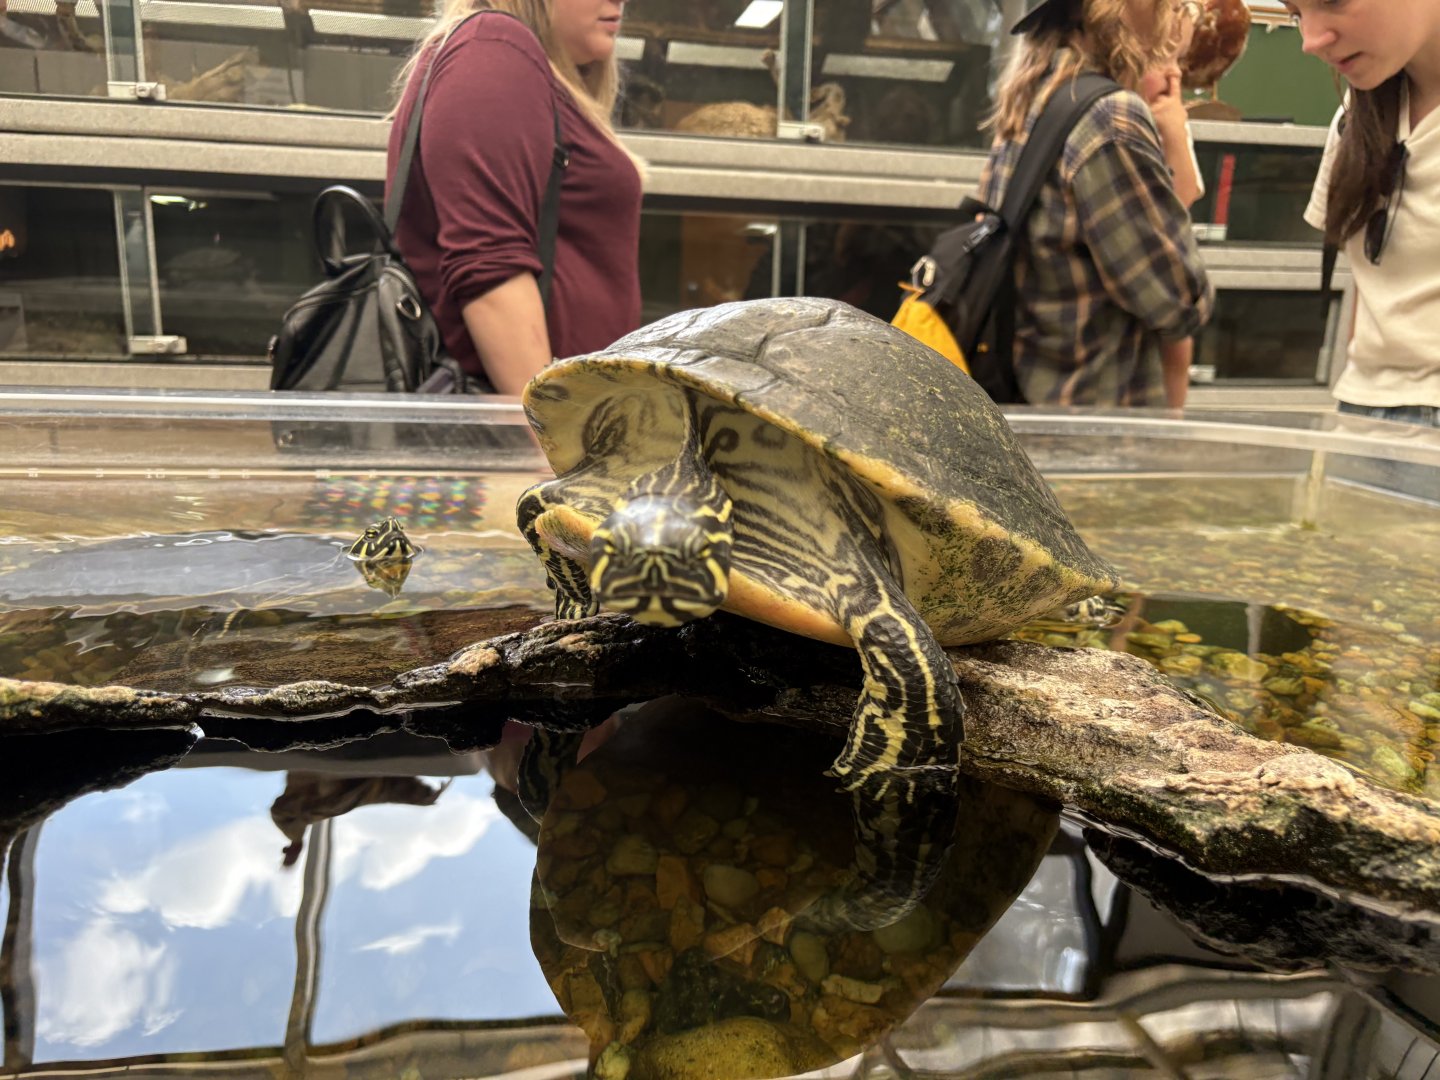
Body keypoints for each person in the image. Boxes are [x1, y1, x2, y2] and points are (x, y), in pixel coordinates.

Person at [387, 0, 643, 396]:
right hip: (528, 435)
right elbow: (491, 270)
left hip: (561, 423)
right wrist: (552, 448)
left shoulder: (501, 55)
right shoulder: (492, 48)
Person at [979, 0, 1214, 407]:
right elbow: (1177, 302)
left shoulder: (1037, 95)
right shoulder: (1110, 118)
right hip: (1094, 423)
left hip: (1030, 397)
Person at [1290, 0, 1440, 428]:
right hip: (1362, 411)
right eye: (1295, 14)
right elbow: (1369, 282)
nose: (1310, 40)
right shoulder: (1355, 122)